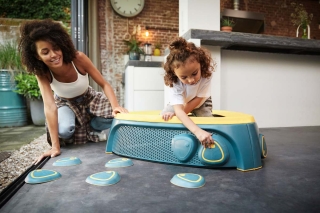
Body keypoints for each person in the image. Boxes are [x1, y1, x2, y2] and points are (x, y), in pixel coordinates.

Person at [19, 19, 128, 164]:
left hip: (89, 98)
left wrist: (116, 107)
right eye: (45, 52)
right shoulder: (42, 72)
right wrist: (55, 147)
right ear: (38, 56)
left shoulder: (78, 58)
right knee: (64, 130)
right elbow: (50, 107)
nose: (53, 55)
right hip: (64, 103)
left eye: (56, 48)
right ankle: (79, 126)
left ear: (62, 45)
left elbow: (104, 84)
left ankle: (91, 126)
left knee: (119, 117)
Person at [161, 37, 216, 148]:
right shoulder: (174, 81)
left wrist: (178, 115)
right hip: (180, 102)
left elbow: (198, 100)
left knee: (210, 123)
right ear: (175, 74)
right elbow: (179, 110)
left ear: (201, 64)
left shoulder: (206, 73)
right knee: (165, 117)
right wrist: (177, 114)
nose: (191, 80)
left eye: (195, 73)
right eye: (184, 77)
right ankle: (169, 144)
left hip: (201, 102)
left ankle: (208, 143)